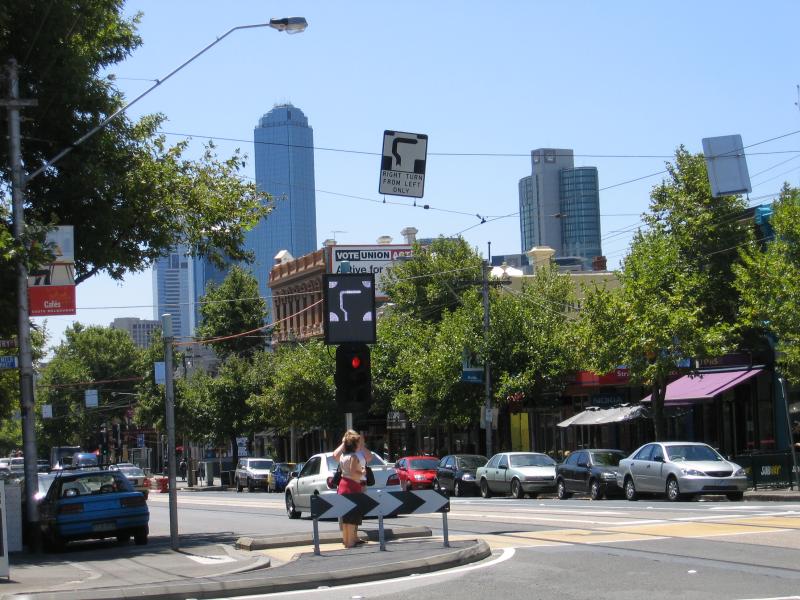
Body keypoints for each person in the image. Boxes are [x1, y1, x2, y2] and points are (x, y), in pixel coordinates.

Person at [333, 430, 367, 548]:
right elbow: (353, 472)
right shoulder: (353, 457)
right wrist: (362, 471)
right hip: (352, 486)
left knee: (346, 518)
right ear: (354, 445)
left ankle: (346, 542)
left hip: (343, 486)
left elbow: (345, 471)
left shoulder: (343, 456)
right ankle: (351, 542)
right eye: (358, 443)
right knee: (352, 517)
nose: (360, 445)